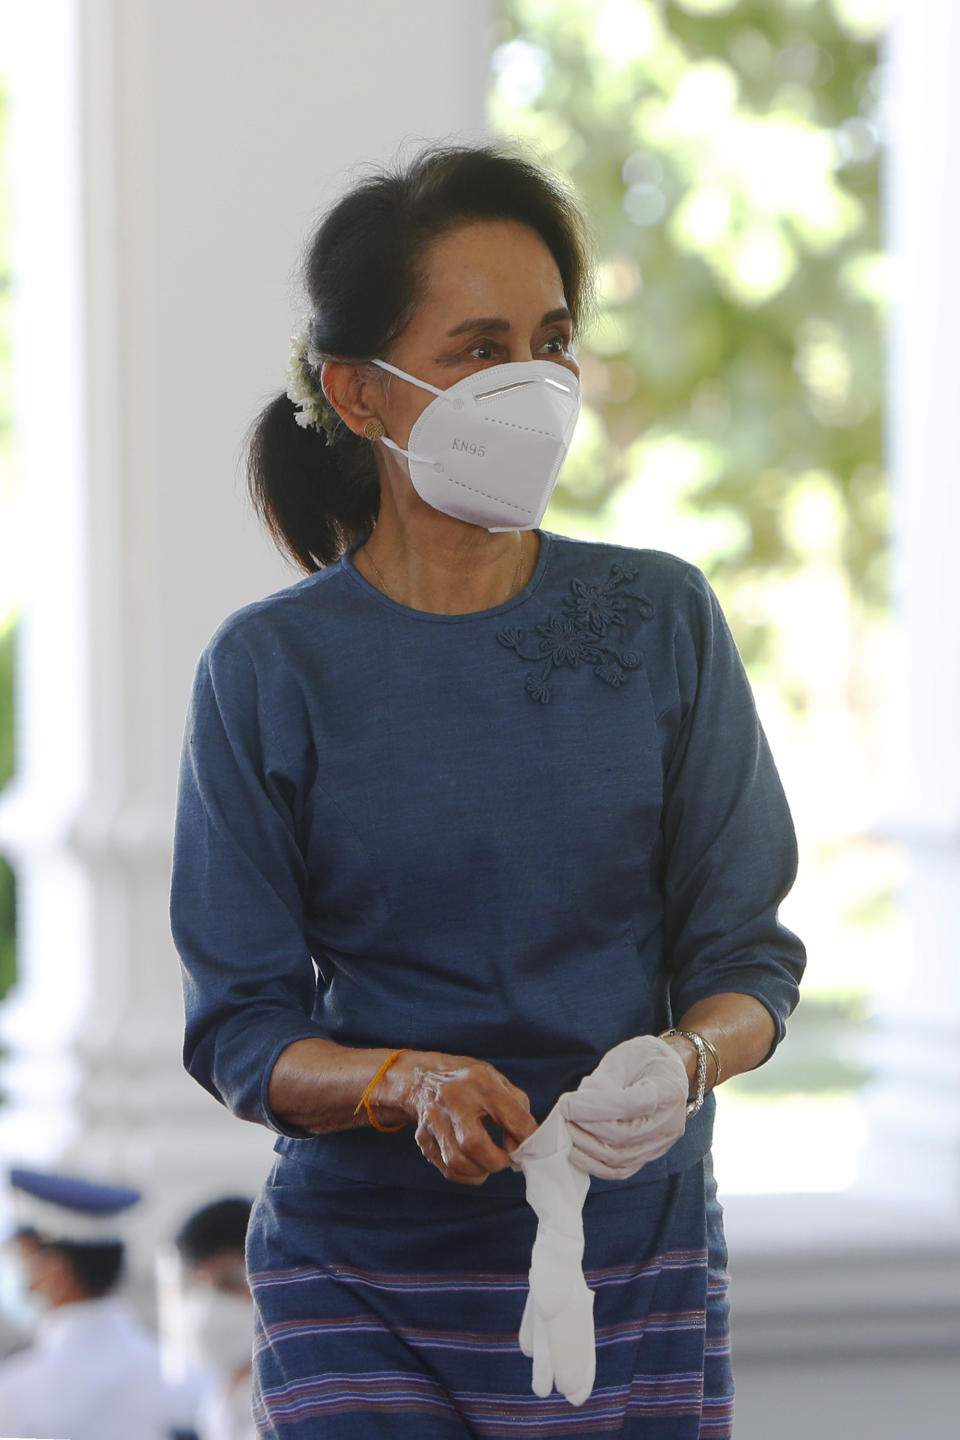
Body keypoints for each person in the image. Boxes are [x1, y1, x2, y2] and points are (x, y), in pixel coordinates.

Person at [170, 142, 805, 1439]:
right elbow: (242, 1030)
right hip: (367, 1281)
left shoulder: (662, 620)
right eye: (477, 347)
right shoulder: (271, 671)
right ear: (360, 393)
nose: (532, 381)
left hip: (635, 1265)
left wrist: (685, 1061)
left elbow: (752, 968)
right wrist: (403, 1081)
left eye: (553, 338)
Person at [0, 1166, 199, 1440]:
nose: (23, 1281)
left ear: (56, 1269)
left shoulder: (15, 1389)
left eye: (24, 1260)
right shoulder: (185, 1375)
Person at [173, 1197, 256, 1440]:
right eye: (197, 1287)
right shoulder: (215, 1401)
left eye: (226, 1285)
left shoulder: (306, 1396)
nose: (211, 1305)